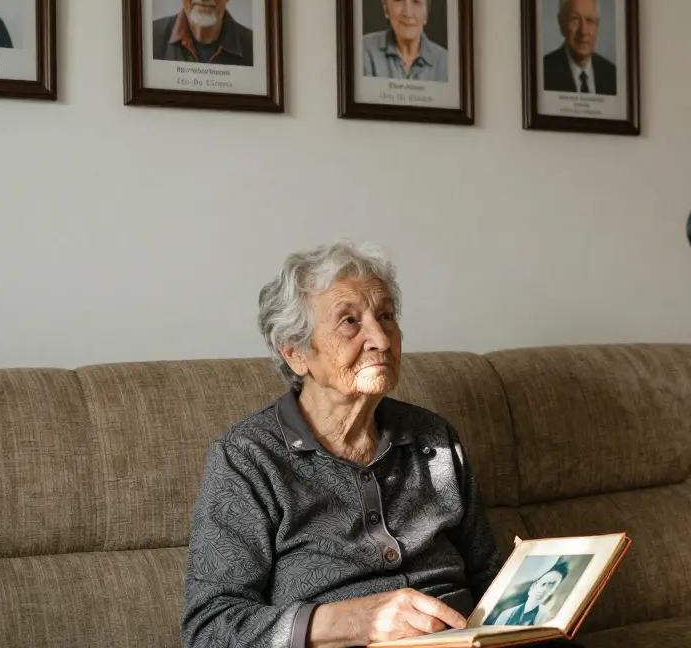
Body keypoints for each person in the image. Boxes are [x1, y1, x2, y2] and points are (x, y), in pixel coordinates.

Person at [181, 241, 585, 648]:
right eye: (350, 321)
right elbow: (210, 629)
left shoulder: (434, 438)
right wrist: (358, 621)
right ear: (296, 353)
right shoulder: (248, 458)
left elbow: (484, 574)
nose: (382, 339)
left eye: (386, 316)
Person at [362, 0, 448, 82]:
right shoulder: (364, 51)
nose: (408, 13)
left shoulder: (446, 63)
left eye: (416, 1)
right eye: (398, 0)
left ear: (426, 13)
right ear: (386, 9)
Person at [542, 0, 615, 96]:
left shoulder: (612, 74)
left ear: (597, 25)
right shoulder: (543, 72)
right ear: (561, 23)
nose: (583, 31)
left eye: (589, 20)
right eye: (575, 19)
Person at [489, 562, 568, 627]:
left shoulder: (547, 617)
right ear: (533, 586)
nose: (544, 590)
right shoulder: (506, 614)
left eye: (551, 586)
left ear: (553, 591)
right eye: (543, 584)